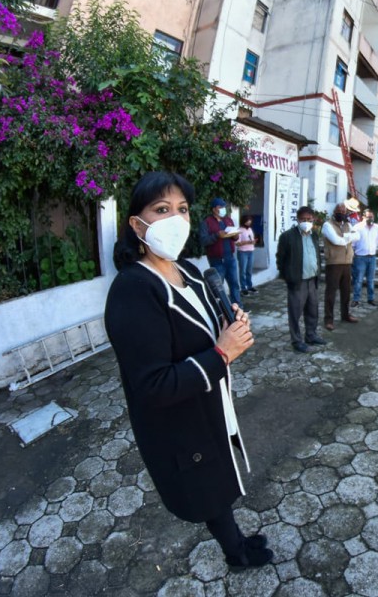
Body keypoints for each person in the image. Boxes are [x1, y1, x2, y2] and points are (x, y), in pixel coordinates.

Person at [105, 172, 272, 571]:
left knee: (218, 480)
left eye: (182, 209)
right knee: (208, 488)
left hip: (208, 406)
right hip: (179, 423)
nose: (175, 219)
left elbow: (207, 335)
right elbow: (154, 385)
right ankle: (236, 554)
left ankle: (238, 541)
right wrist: (222, 353)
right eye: (161, 210)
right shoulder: (133, 290)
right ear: (136, 224)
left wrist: (231, 328)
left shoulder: (189, 272)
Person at [276, 207, 326, 353]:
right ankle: (297, 341)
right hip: (297, 281)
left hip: (312, 280)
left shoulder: (314, 235)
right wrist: (287, 276)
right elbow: (280, 258)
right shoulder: (287, 236)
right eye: (303, 219)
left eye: (309, 220)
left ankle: (311, 335)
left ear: (313, 220)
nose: (306, 222)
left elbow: (316, 254)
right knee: (295, 312)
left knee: (312, 310)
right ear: (297, 220)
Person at [322, 203, 360, 331]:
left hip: (347, 262)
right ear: (334, 211)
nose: (342, 213)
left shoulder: (348, 224)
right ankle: (328, 319)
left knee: (346, 291)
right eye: (339, 211)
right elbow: (336, 241)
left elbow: (357, 236)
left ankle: (345, 315)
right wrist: (349, 237)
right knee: (331, 293)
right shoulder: (327, 225)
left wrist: (345, 237)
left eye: (344, 211)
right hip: (333, 263)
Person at [199, 197, 242, 307]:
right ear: (214, 209)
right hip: (217, 260)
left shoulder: (228, 220)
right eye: (220, 207)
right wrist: (217, 235)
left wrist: (235, 236)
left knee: (234, 285)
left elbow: (234, 237)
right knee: (218, 288)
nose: (223, 209)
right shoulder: (206, 222)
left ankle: (238, 308)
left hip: (230, 258)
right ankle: (221, 310)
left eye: (224, 207)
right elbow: (203, 240)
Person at [351, 208, 378, 307]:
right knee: (358, 280)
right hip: (360, 257)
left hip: (372, 257)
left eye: (372, 217)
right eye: (368, 217)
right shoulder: (357, 227)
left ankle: (371, 298)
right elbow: (352, 243)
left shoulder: (376, 227)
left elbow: (377, 240)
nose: (370, 219)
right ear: (363, 217)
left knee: (371, 280)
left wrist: (371, 249)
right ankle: (356, 299)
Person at [236, 215, 257, 295]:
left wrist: (253, 242)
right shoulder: (239, 230)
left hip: (251, 251)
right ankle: (243, 288)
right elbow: (237, 243)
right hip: (243, 252)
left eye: (250, 220)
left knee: (249, 270)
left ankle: (249, 286)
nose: (249, 222)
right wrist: (247, 242)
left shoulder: (250, 229)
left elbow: (251, 239)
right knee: (243, 271)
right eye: (247, 220)